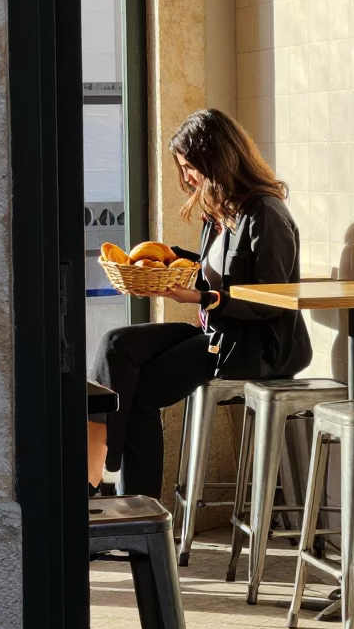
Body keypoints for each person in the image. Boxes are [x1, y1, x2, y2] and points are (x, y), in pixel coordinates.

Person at [87, 108, 312, 498]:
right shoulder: (219, 211)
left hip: (255, 346)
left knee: (137, 393)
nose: (188, 177)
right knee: (115, 344)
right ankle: (104, 470)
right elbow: (214, 267)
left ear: (217, 158)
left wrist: (201, 297)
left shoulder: (267, 215)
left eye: (191, 166)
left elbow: (271, 302)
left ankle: (114, 493)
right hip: (216, 334)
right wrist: (161, 266)